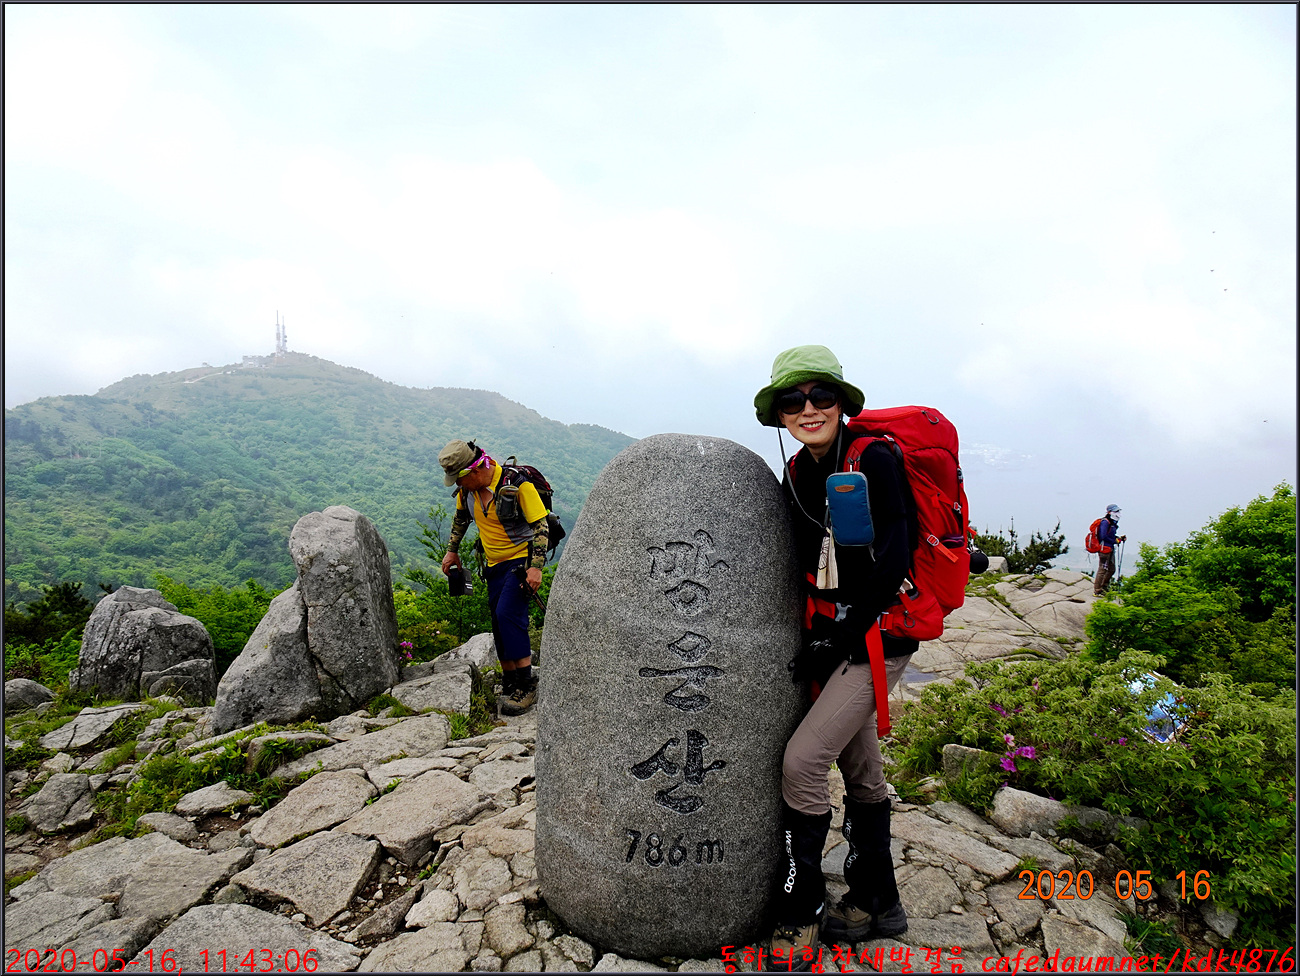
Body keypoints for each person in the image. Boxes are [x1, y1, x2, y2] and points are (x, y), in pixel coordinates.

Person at [752, 345, 916, 965]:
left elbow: (896, 557)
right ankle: (880, 900)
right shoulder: (800, 472)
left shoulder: (873, 458)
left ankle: (803, 907)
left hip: (879, 637)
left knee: (802, 764)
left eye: (821, 396)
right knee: (861, 767)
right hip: (833, 635)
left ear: (841, 402)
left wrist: (843, 634)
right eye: (793, 401)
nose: (809, 409)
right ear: (779, 415)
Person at [438, 439, 549, 716]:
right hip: (493, 564)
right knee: (498, 622)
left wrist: (536, 567)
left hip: (520, 560)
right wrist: (452, 551)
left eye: (459, 479)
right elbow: (461, 519)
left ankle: (527, 684)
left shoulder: (517, 485)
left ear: (474, 471)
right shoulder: (467, 491)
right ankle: (510, 679)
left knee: (508, 614)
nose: (458, 485)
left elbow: (541, 526)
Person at [1093, 504, 1126, 596]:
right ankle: (1097, 590)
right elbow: (1103, 536)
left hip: (1110, 548)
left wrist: (1119, 538)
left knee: (1111, 569)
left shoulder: (1111, 523)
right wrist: (1115, 540)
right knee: (1103, 569)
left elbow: (1110, 536)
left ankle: (1104, 587)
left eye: (1118, 511)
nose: (1118, 513)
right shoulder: (1105, 522)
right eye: (1115, 511)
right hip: (1104, 549)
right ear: (1109, 512)